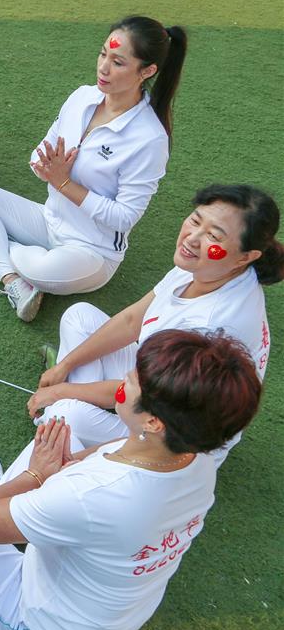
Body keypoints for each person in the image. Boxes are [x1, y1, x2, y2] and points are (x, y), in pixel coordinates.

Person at [0, 329, 261, 630]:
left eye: (132, 380)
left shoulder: (89, 494)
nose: (123, 380)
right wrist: (64, 466)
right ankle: (7, 498)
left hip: (45, 629)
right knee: (62, 431)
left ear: (154, 422)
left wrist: (36, 474)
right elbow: (111, 453)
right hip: (114, 607)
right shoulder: (196, 457)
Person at [0, 16, 187, 321]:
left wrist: (63, 183)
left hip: (92, 251)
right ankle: (12, 279)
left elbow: (124, 217)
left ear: (147, 71)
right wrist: (44, 167)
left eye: (118, 62)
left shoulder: (150, 138)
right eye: (103, 54)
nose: (103, 67)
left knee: (41, 270)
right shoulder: (82, 96)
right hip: (49, 220)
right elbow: (41, 151)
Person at [28, 184, 279, 466]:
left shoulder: (210, 327)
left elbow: (149, 395)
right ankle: (72, 402)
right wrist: (65, 366)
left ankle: (69, 417)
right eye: (196, 220)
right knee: (79, 317)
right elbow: (132, 320)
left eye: (213, 236)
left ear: (246, 257)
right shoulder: (207, 267)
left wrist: (61, 392)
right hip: (154, 383)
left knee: (66, 413)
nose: (193, 238)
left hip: (173, 438)